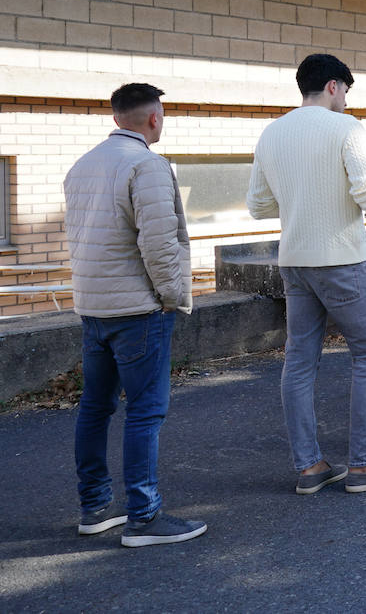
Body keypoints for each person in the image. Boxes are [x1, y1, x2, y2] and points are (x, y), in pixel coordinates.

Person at [249, 54, 366, 494]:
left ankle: (310, 467)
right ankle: (364, 465)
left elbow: (259, 206)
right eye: (346, 91)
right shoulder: (346, 128)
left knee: (299, 361)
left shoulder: (271, 132)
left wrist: (301, 198)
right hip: (341, 258)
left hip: (294, 261)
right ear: (334, 87)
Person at [65, 83, 206, 546]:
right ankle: (144, 518)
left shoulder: (82, 165)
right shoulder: (147, 165)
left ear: (115, 118)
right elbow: (159, 242)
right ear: (153, 119)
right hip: (138, 309)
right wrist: (172, 297)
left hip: (93, 306)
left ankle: (95, 508)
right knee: (145, 411)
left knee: (96, 407)